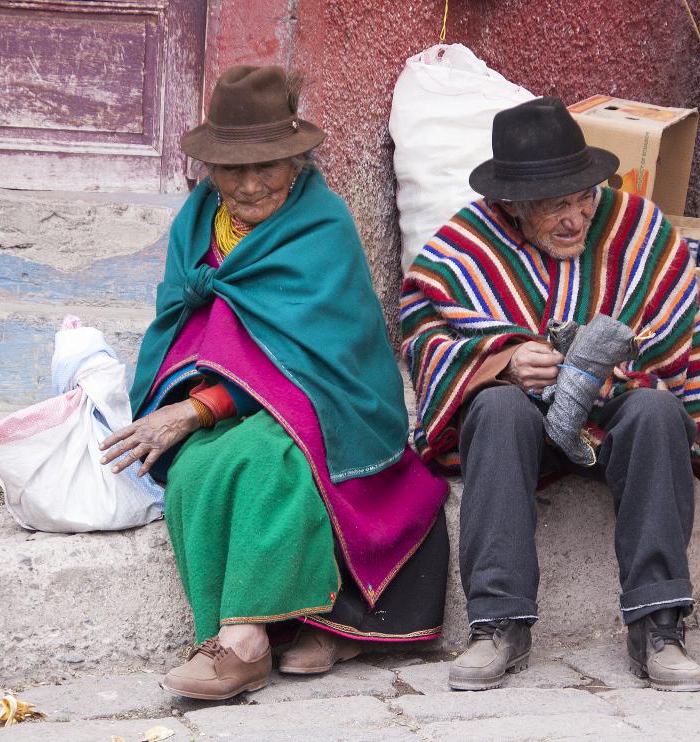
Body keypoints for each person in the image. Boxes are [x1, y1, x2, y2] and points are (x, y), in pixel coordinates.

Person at [102, 65, 449, 701]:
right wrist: (188, 407)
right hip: (227, 395)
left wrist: (200, 408)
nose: (251, 183)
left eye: (270, 166)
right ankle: (269, 624)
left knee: (265, 457)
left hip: (333, 402)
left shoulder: (322, 225)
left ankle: (243, 641)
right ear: (210, 168)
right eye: (233, 168)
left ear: (297, 160)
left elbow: (318, 357)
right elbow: (184, 317)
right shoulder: (198, 218)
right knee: (197, 468)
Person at [401, 97, 700, 692]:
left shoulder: (637, 229)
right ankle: (498, 625)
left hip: (615, 408)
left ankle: (658, 624)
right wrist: (501, 361)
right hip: (524, 426)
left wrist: (600, 370)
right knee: (493, 408)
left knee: (657, 413)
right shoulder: (467, 242)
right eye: (552, 205)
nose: (575, 219)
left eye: (583, 197)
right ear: (511, 204)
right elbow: (423, 329)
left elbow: (674, 344)